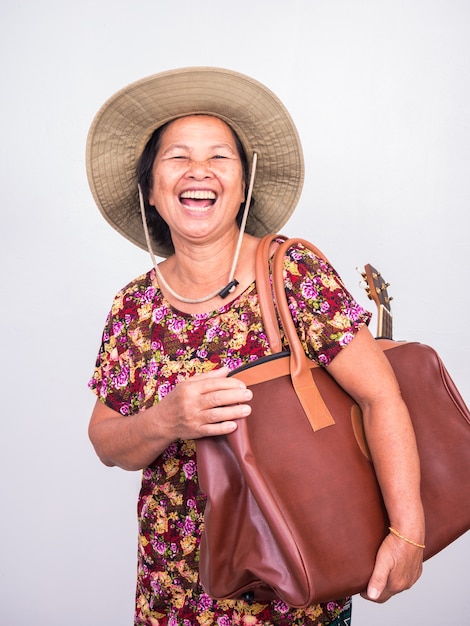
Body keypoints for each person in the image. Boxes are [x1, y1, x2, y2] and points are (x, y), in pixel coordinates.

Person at [86, 67, 424, 626]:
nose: (199, 171)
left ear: (244, 184)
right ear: (150, 188)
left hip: (295, 600)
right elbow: (107, 442)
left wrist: (409, 530)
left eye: (220, 157)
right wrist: (166, 419)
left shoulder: (290, 271)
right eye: (177, 157)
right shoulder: (133, 307)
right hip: (172, 598)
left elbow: (382, 397)